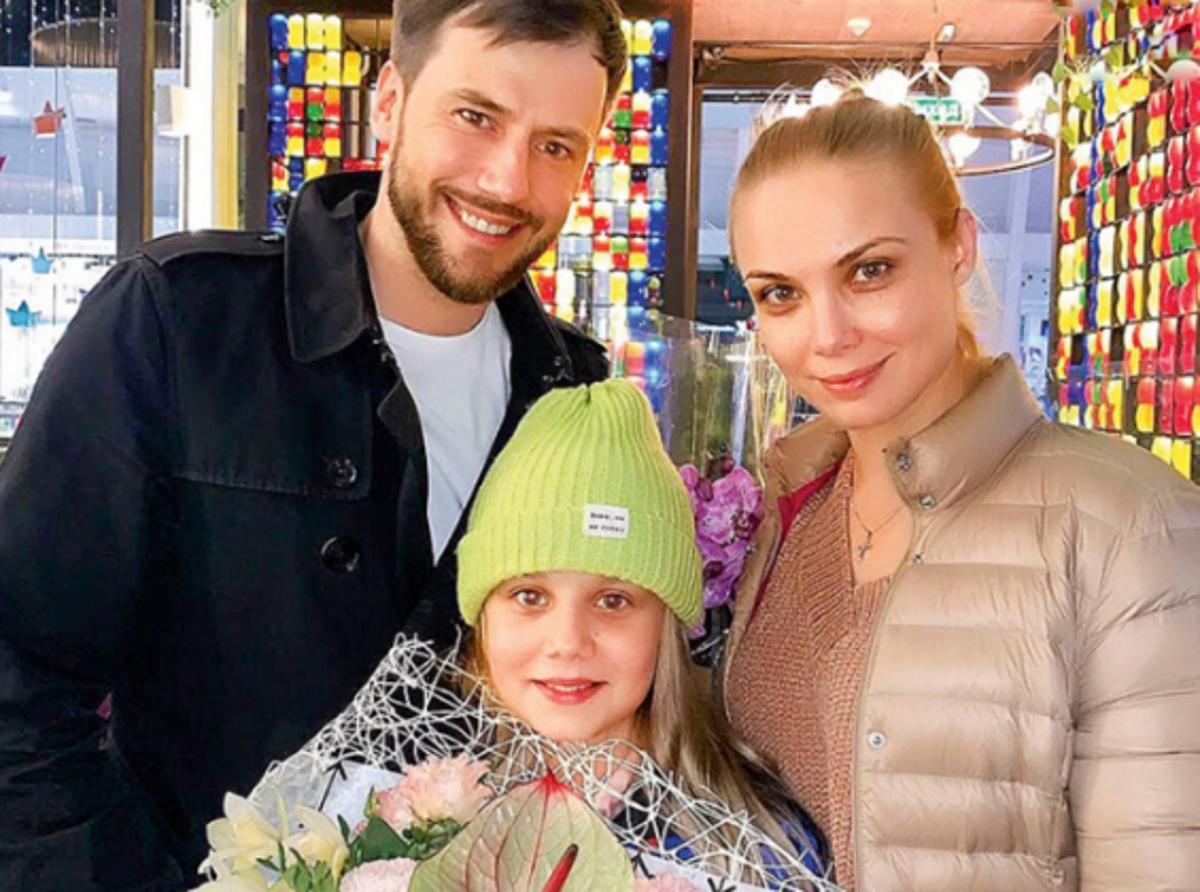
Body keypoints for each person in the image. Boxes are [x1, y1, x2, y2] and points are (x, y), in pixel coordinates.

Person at [0, 1, 626, 888]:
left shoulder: (575, 393)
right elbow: (19, 683)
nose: (507, 179)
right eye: (475, 116)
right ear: (391, 101)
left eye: (556, 145)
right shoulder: (180, 321)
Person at [720, 93, 1200, 892]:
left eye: (869, 271)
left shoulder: (1128, 524)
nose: (828, 335)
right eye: (781, 294)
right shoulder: (785, 512)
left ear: (959, 247)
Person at [453, 378, 826, 881]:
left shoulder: (755, 852)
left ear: (666, 626)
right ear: (482, 617)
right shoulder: (421, 812)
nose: (567, 642)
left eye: (613, 600)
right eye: (529, 596)